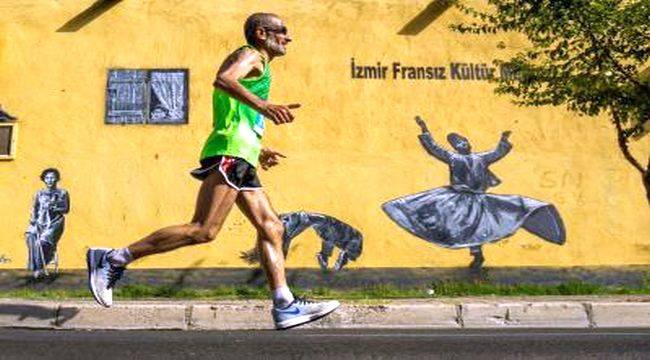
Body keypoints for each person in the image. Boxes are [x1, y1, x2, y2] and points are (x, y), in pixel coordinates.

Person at [86, 13, 339, 330]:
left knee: (272, 227)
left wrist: (259, 149)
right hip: (231, 154)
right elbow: (223, 80)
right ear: (262, 33)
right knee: (203, 230)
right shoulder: (251, 55)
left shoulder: (261, 68)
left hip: (242, 154)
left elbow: (234, 114)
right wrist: (265, 107)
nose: (289, 38)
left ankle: (285, 304)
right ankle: (114, 258)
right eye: (283, 31)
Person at [382, 116, 565, 271]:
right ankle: (462, 246)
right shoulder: (454, 158)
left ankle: (477, 254)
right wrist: (424, 130)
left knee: (479, 226)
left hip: (477, 199)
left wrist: (503, 139)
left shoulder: (479, 158)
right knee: (453, 220)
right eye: (458, 143)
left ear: (468, 143)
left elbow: (497, 153)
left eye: (464, 141)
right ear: (456, 147)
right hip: (458, 198)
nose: (463, 144)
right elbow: (435, 149)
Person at [26, 168, 70, 278]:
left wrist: (54, 208)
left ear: (57, 179)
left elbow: (66, 209)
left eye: (52, 178)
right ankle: (35, 267)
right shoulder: (39, 194)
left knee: (42, 242)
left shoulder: (63, 193)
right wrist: (33, 219)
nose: (50, 180)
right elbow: (34, 208)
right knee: (30, 236)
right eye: (47, 178)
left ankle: (40, 267)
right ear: (44, 180)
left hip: (55, 223)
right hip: (40, 221)